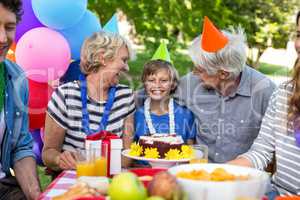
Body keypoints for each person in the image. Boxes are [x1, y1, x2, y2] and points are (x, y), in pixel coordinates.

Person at [174, 16, 276, 163]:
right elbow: (150, 97)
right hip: (197, 175)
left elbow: (276, 146)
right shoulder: (189, 84)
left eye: (200, 70)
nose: (194, 73)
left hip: (242, 179)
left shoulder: (264, 92)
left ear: (223, 73)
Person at [228, 11, 300, 197]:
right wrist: (219, 174)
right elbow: (261, 151)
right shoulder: (283, 92)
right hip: (276, 193)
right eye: (299, 35)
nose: (298, 44)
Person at [42, 31, 135, 171]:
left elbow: (127, 155)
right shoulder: (65, 95)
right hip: (74, 179)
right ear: (102, 58)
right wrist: (59, 159)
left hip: (111, 179)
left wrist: (102, 176)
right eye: (123, 60)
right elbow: (48, 152)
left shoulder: (125, 96)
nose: (127, 67)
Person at [0, 0, 41, 199]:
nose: (2, 38)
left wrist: (36, 195)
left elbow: (20, 146)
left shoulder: (16, 78)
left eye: (9, 28)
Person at [134, 59, 196, 144]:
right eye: (151, 80)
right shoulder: (137, 115)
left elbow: (191, 150)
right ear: (144, 84)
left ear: (173, 84)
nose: (157, 85)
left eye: (163, 80)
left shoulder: (186, 115)